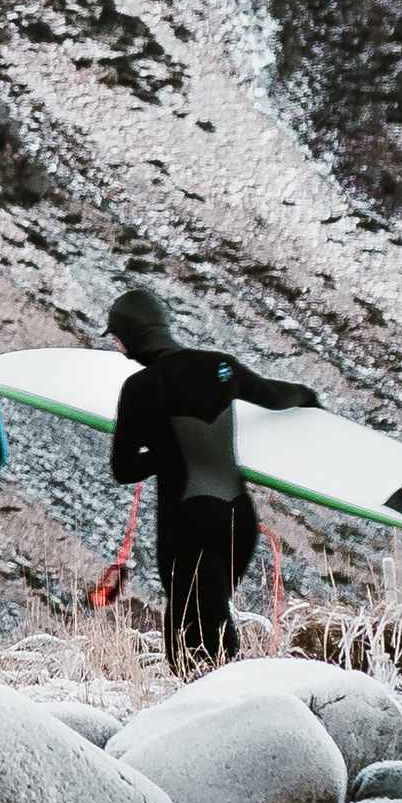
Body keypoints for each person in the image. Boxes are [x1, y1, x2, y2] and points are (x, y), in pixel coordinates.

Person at [103, 282, 319, 666]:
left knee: (190, 646)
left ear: (132, 338)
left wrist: (166, 454)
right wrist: (310, 399)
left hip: (189, 523)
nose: (121, 350)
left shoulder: (140, 386)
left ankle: (227, 707)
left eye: (119, 341)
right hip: (238, 521)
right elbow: (278, 396)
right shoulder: (221, 366)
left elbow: (123, 469)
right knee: (214, 622)